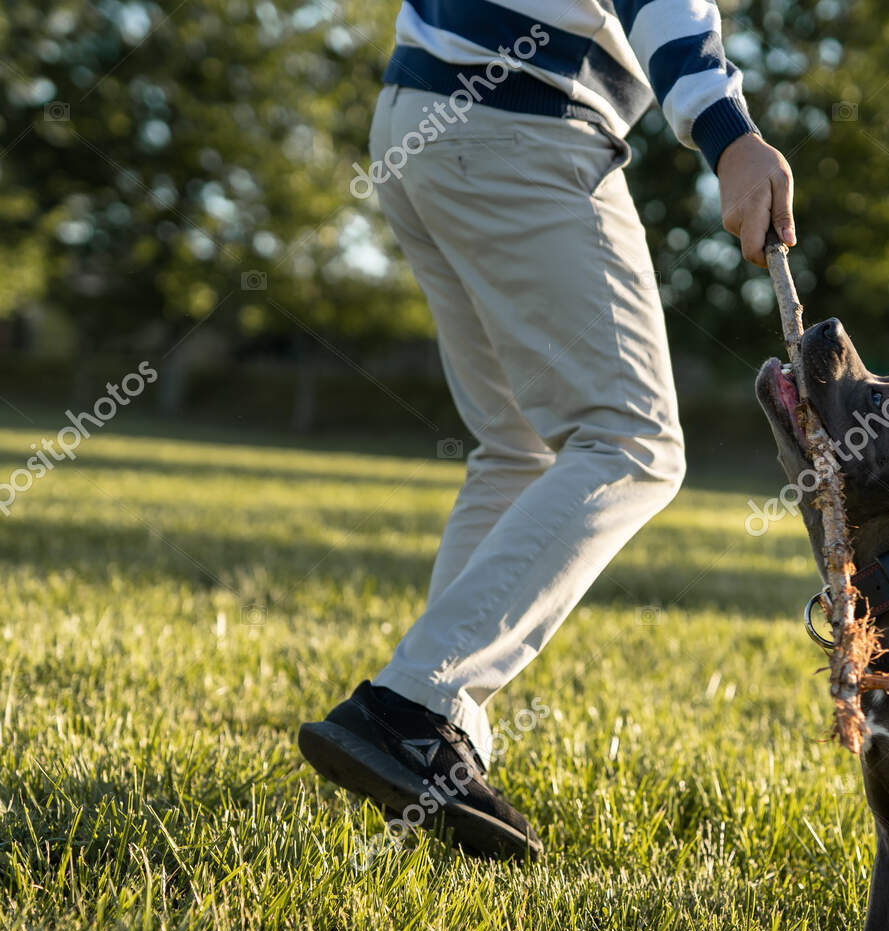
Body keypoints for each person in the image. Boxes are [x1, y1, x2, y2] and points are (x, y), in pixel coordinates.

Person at [298, 0, 796, 859]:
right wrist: (729, 134)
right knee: (632, 440)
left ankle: (433, 737)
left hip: (419, 117)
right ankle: (414, 705)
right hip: (520, 124)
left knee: (519, 450)